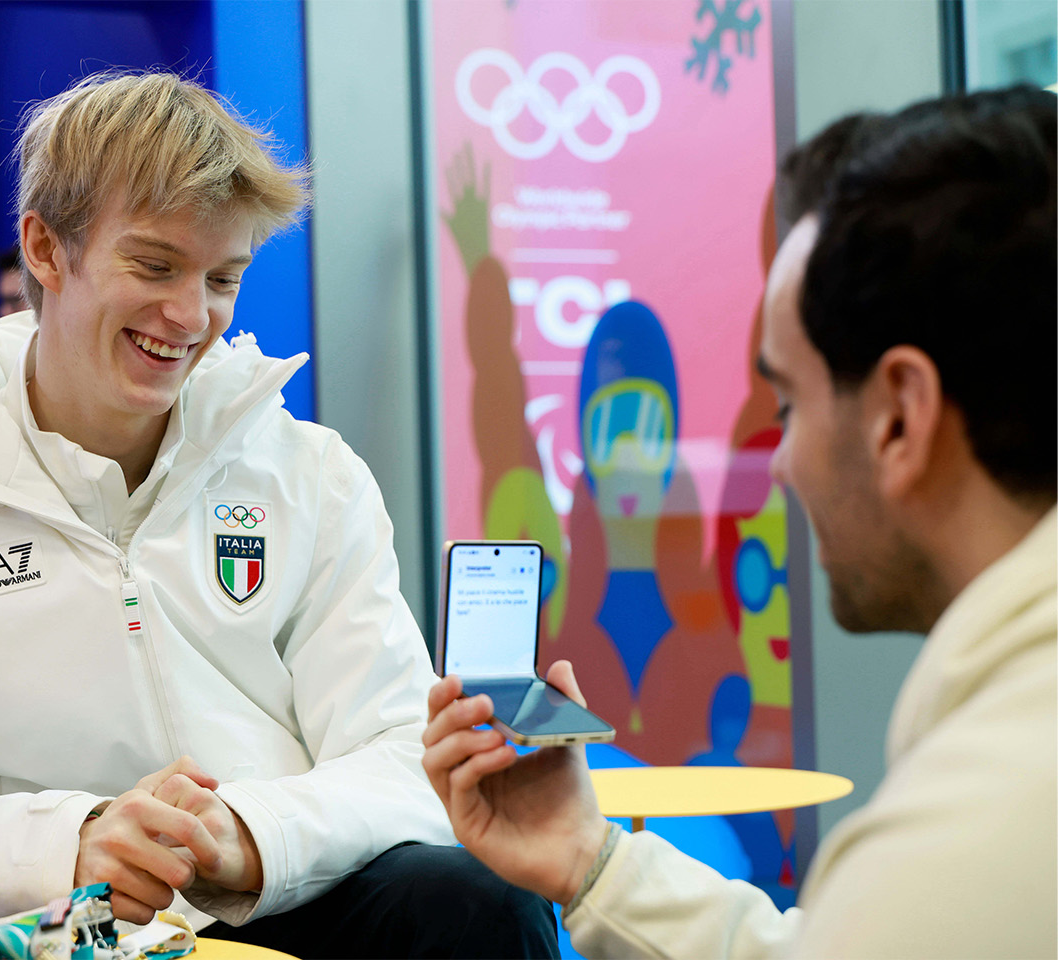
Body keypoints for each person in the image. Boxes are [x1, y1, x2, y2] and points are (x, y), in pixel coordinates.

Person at [0, 71, 558, 960]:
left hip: (266, 887)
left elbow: (404, 753)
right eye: (154, 265)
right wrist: (71, 843)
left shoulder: (310, 475)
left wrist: (249, 836)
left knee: (481, 903)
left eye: (223, 277)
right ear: (45, 250)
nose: (188, 315)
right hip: (43, 909)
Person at [424, 85, 1056, 959]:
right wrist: (588, 861)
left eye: (791, 405)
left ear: (900, 418)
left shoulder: (962, 843)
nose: (781, 463)